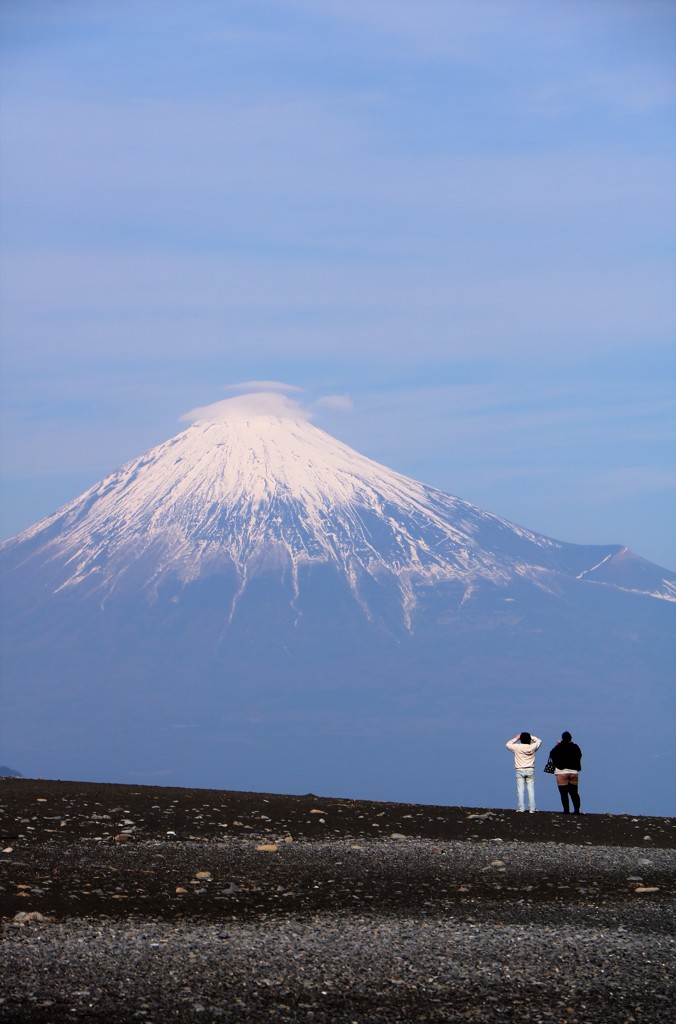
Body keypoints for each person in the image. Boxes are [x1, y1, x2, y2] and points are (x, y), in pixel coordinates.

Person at [505, 731, 542, 812]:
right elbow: (539, 741)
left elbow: (507, 744)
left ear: (521, 739)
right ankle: (532, 808)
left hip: (520, 770)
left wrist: (516, 738)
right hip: (530, 769)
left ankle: (521, 808)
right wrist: (531, 736)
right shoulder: (532, 747)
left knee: (520, 790)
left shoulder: (517, 747)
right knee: (531, 790)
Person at [549, 731, 582, 814]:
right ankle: (577, 810)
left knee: (564, 793)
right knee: (574, 793)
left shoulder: (559, 747)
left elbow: (552, 754)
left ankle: (566, 810)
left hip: (561, 772)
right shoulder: (575, 747)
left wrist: (559, 744)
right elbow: (580, 755)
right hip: (573, 771)